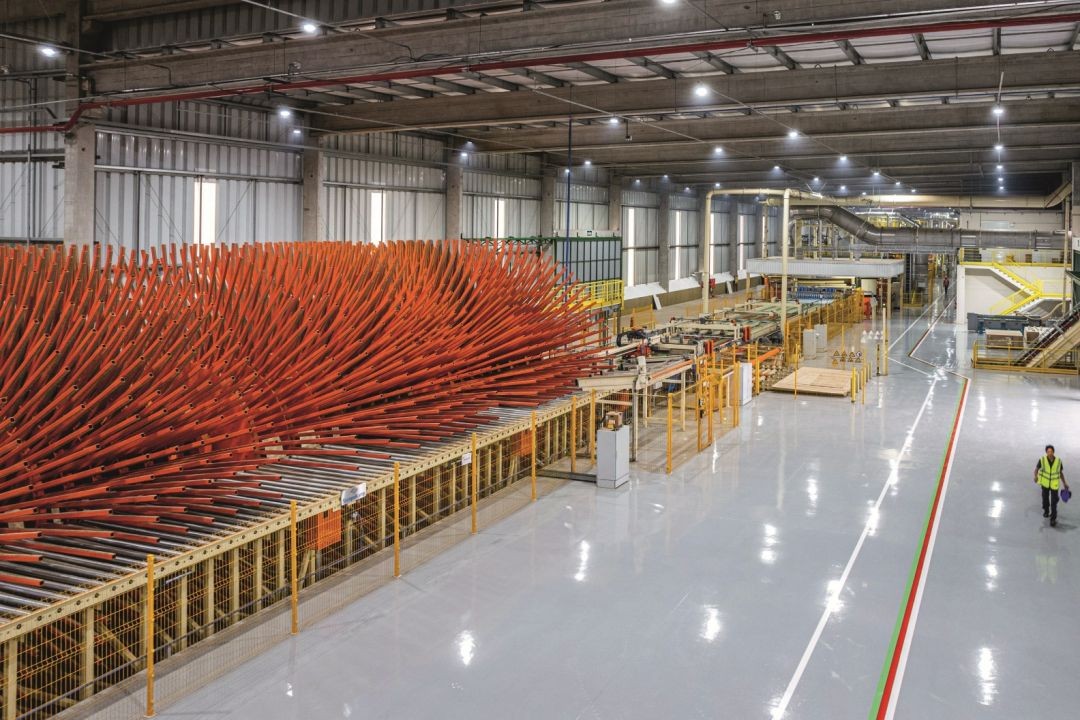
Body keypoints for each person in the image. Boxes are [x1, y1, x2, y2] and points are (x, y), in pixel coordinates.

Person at [1034, 445, 1069, 527]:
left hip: (1054, 484)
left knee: (1054, 503)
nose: (1050, 453)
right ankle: (1046, 511)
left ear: (1053, 452)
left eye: (1051, 451)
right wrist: (1035, 476)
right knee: (1045, 498)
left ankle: (1053, 519)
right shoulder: (1042, 460)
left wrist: (1064, 483)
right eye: (1048, 452)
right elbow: (1036, 469)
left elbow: (1060, 473)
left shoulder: (1058, 461)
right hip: (1045, 483)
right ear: (1046, 452)